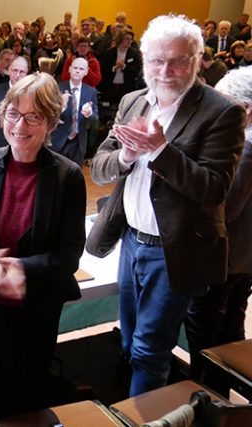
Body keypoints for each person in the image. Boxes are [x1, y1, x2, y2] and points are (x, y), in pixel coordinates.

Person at [86, 15, 246, 397]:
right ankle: (129, 407)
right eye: (157, 60)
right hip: (132, 243)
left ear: (197, 60)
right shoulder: (133, 100)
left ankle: (144, 418)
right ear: (144, 60)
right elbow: (101, 168)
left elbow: (214, 189)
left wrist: (159, 150)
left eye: (177, 60)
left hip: (176, 251)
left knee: (148, 349)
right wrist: (125, 155)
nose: (166, 70)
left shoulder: (222, 112)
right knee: (129, 339)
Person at [0, 72, 86, 426]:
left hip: (30, 317)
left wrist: (18, 270)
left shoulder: (68, 176)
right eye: (13, 114)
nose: (20, 125)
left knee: (20, 410)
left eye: (33, 116)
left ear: (51, 121)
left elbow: (69, 254)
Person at [184, 66, 252, 382]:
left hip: (227, 256)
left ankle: (206, 394)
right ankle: (227, 392)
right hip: (245, 258)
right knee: (232, 319)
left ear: (246, 110)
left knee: (203, 325)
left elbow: (229, 206)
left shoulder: (246, 146)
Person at [51, 57, 98, 166]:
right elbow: (48, 116)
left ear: (86, 72)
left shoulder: (91, 91)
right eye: (75, 68)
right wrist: (61, 107)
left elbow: (95, 120)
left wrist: (89, 114)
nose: (77, 71)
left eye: (81, 69)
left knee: (74, 178)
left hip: (78, 142)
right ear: (69, 69)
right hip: (58, 140)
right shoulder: (57, 88)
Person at [0, 56, 28, 149]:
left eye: (21, 72)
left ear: (27, 74)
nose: (17, 75)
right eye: (15, 70)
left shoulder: (31, 92)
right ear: (9, 71)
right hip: (0, 142)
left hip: (23, 142)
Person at [99, 29, 142, 105]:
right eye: (127, 39)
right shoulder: (109, 52)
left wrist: (124, 67)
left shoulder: (135, 53)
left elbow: (137, 70)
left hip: (126, 88)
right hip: (110, 87)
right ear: (120, 39)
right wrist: (114, 68)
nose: (130, 41)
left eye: (131, 39)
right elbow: (103, 69)